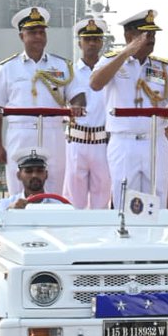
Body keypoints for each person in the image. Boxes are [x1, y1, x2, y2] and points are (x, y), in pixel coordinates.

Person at [88, 10, 168, 206]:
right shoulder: (112, 61)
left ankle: (155, 236)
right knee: (124, 198)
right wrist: (125, 54)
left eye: (153, 35)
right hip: (124, 142)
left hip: (155, 140)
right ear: (129, 36)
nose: (151, 39)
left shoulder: (162, 67)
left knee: (156, 198)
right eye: (145, 34)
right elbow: (95, 83)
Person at [0, 6, 72, 197]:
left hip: (53, 132)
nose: (38, 37)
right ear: (21, 36)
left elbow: (75, 96)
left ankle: (52, 226)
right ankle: (19, 225)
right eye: (32, 32)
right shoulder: (8, 68)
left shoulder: (61, 66)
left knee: (54, 185)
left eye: (42, 32)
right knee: (19, 187)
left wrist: (77, 104)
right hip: (21, 132)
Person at [65, 17, 112, 209]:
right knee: (74, 201)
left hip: (103, 141)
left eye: (96, 39)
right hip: (77, 140)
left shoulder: (111, 72)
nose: (92, 43)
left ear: (102, 42)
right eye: (87, 39)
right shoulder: (69, 72)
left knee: (102, 198)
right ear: (79, 42)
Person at [0, 148, 67, 212]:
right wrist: (10, 210)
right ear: (19, 175)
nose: (34, 175)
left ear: (46, 174)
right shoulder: (5, 205)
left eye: (39, 171)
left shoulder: (59, 206)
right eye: (29, 171)